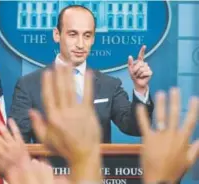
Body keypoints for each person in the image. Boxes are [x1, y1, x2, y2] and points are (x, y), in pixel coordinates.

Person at [9, 5, 154, 143]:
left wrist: (140, 89)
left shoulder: (109, 85)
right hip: (48, 169)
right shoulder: (28, 85)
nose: (80, 44)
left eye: (87, 35)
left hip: (96, 169)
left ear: (93, 38)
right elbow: (18, 143)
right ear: (57, 35)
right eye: (73, 34)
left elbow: (136, 128)